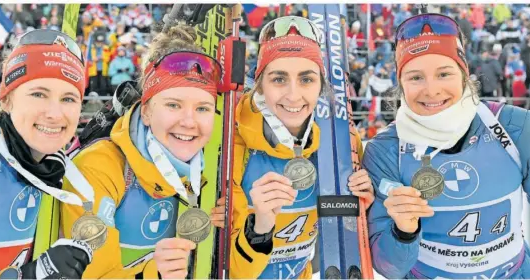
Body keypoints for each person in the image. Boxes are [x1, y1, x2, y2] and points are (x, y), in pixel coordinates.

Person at [363, 13, 530, 279]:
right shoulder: (385, 150)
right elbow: (389, 268)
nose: (431, 90)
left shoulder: (513, 127)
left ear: (464, 74)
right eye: (415, 77)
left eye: (444, 74)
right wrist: (404, 230)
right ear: (401, 84)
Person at [210, 16, 374, 279]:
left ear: (321, 85)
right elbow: (233, 271)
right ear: (260, 84)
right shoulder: (231, 142)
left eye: (307, 79)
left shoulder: (341, 142)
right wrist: (259, 228)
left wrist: (363, 209)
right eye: (278, 79)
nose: (294, 95)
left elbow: (341, 234)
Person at [61, 23, 224, 278]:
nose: (189, 121)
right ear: (146, 111)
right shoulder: (99, 167)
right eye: (173, 105)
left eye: (202, 108)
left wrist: (249, 228)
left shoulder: (210, 166)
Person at [0, 29, 93, 279]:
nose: (54, 114)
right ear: (7, 99)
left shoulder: (60, 171)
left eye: (68, 98)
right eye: (38, 94)